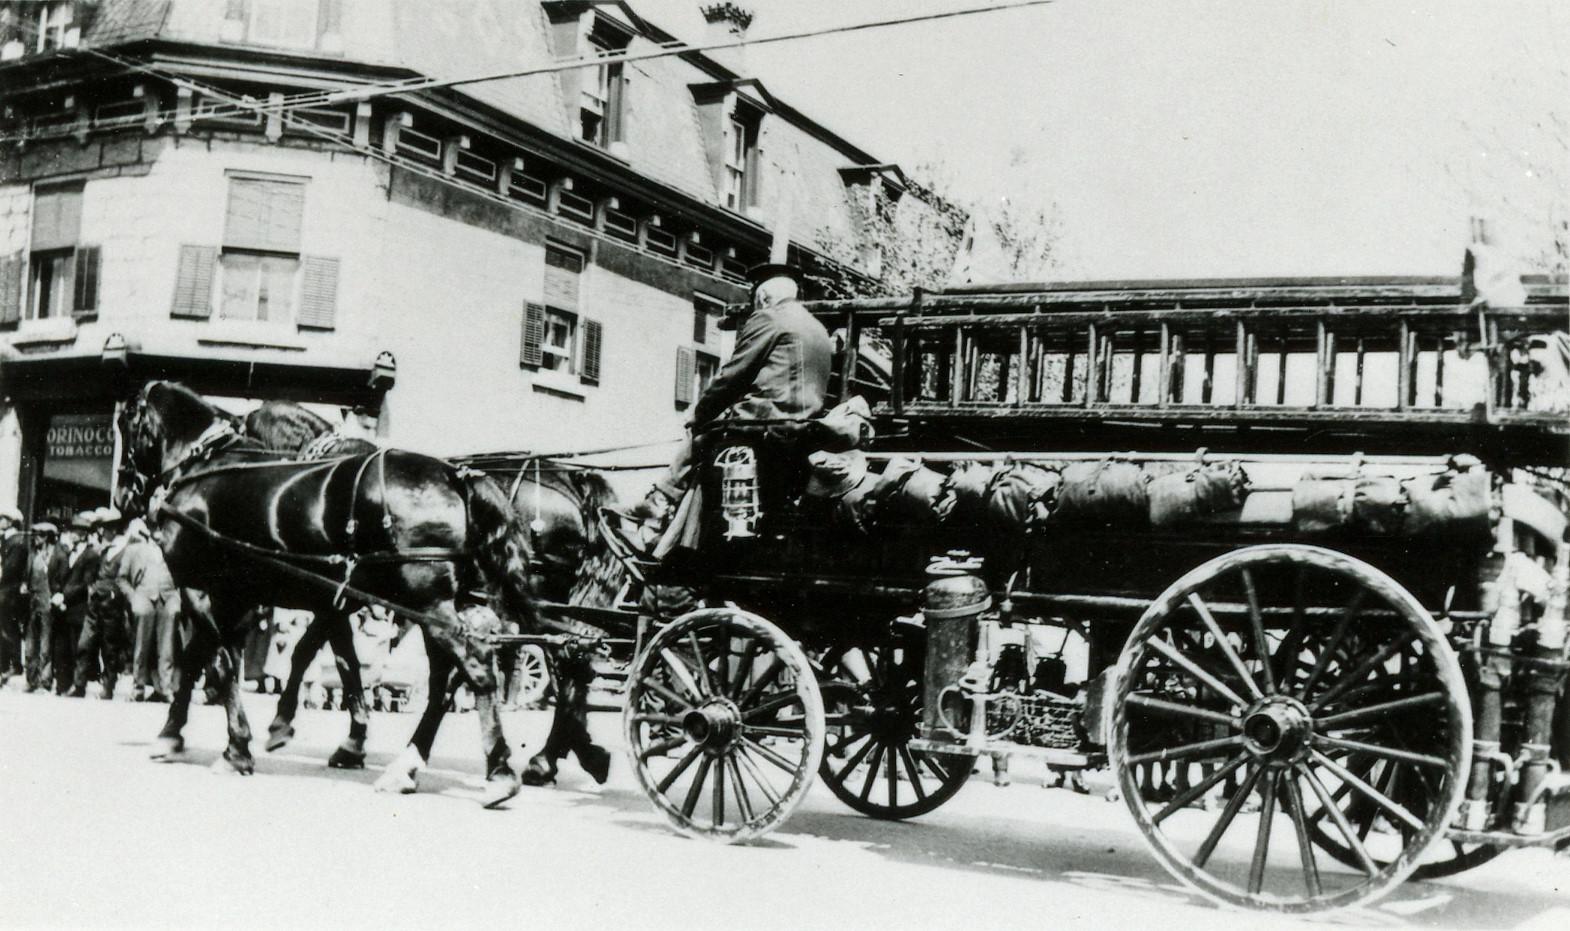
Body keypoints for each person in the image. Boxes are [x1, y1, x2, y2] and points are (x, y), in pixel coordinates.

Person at [627, 263, 834, 526]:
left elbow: (732, 376)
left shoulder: (769, 318)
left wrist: (698, 413)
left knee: (700, 434)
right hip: (803, 429)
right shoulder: (818, 328)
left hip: (765, 424)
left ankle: (660, 501)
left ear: (763, 297)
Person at [120, 518, 180, 701]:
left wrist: (176, 598)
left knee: (167, 648)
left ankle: (166, 688)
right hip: (144, 597)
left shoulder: (173, 550)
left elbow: (183, 575)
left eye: (162, 528)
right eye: (155, 528)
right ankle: (138, 687)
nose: (158, 533)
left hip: (168, 598)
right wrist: (133, 598)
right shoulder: (134, 550)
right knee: (141, 646)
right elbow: (121, 578)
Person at [76, 509, 130, 700]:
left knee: (109, 646)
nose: (102, 532)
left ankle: (108, 686)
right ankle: (79, 684)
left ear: (114, 529)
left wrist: (115, 594)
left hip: (112, 603)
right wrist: (92, 589)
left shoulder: (125, 549)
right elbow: (95, 573)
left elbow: (125, 577)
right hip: (96, 602)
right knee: (85, 642)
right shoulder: (104, 550)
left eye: (105, 528)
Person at [56, 511, 102, 697]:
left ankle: (78, 684)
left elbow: (85, 583)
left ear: (83, 534)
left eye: (75, 531)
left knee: (78, 646)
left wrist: (64, 596)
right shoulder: (70, 552)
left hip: (78, 607)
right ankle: (63, 684)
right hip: (64, 607)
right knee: (63, 646)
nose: (72, 534)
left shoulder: (91, 555)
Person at [23, 521, 63, 692]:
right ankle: (31, 679)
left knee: (46, 643)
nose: (36, 539)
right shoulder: (33, 554)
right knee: (31, 643)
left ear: (47, 537)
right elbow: (27, 575)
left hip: (48, 603)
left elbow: (61, 580)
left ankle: (45, 680)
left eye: (39, 535)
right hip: (33, 602)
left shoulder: (57, 555)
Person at [0, 506, 26, 686]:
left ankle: (14, 663)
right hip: (4, 591)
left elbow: (10, 569)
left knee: (8, 628)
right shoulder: (6, 540)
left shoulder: (17, 542)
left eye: (3, 518)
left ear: (11, 522)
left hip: (8, 592)